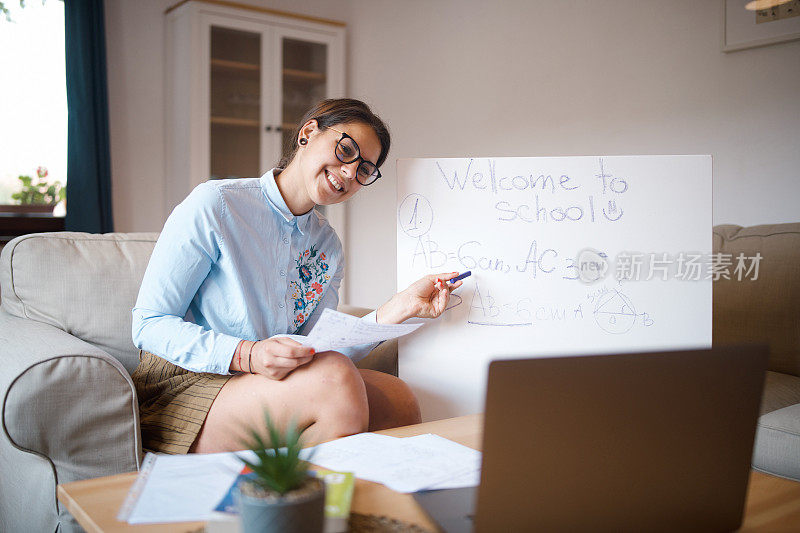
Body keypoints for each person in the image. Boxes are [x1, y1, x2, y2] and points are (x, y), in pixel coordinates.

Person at [131, 98, 462, 454]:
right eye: (346, 150)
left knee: (398, 398)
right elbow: (148, 324)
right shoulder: (216, 204)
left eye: (365, 169)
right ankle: (306, 506)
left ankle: (363, 504)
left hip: (266, 382)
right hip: (189, 381)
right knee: (334, 380)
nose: (351, 173)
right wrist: (248, 354)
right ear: (308, 133)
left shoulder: (328, 247)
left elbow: (320, 347)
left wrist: (401, 305)